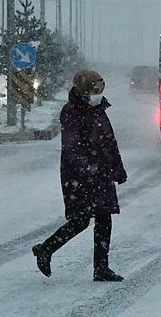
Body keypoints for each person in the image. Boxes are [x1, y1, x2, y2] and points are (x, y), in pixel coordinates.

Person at [32, 69, 127, 281]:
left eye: (101, 89)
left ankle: (101, 268)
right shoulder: (71, 111)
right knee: (81, 220)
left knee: (104, 218)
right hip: (80, 176)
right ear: (84, 90)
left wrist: (117, 169)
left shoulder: (99, 110)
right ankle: (45, 249)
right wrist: (86, 169)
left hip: (100, 173)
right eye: (95, 90)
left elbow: (110, 142)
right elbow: (71, 147)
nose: (99, 94)